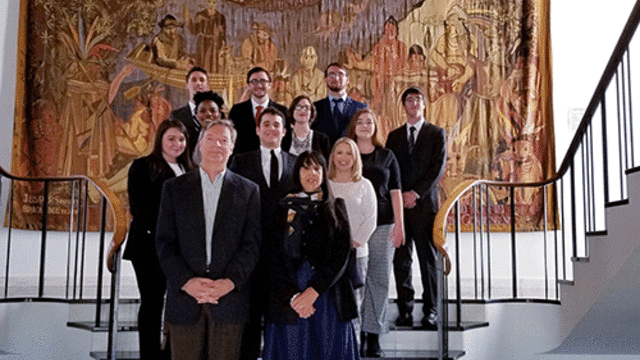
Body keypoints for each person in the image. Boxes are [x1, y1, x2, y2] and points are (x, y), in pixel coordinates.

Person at [155, 120, 262, 360]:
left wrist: (230, 281)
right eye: (211, 139)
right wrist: (187, 282)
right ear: (200, 145)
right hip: (184, 298)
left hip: (229, 300)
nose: (217, 145)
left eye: (224, 140)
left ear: (232, 148)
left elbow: (251, 246)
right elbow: (164, 244)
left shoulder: (248, 191)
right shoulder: (174, 189)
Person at [263, 151, 360, 360]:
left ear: (324, 173)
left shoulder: (336, 207)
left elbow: (341, 255)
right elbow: (273, 257)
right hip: (290, 297)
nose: (311, 173)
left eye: (317, 168)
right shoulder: (281, 208)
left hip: (327, 294)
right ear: (297, 172)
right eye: (305, 167)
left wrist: (314, 291)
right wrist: (294, 297)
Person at [228, 107, 297, 360]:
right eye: (265, 124)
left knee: (280, 320)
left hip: (284, 256)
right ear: (258, 130)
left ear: (284, 130)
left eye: (276, 124)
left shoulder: (296, 163)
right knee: (250, 319)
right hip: (250, 254)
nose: (271, 129)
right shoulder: (240, 162)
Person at [124, 119, 195, 360]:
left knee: (179, 304)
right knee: (152, 303)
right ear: (160, 140)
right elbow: (140, 210)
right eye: (172, 138)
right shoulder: (142, 167)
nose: (177, 144)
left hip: (182, 251)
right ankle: (150, 355)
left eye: (182, 139)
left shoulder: (191, 170)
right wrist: (170, 237)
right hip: (148, 248)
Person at [386, 86, 446, 328]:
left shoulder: (436, 133)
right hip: (400, 207)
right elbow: (391, 169)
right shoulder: (394, 136)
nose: (413, 103)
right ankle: (405, 310)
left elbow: (437, 169)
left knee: (427, 260)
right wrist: (402, 197)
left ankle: (431, 309)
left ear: (424, 104)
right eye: (409, 100)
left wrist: (417, 193)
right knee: (401, 261)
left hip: (425, 206)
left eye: (418, 100)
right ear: (403, 106)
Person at [345, 109, 404, 357]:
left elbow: (395, 192)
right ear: (354, 126)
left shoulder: (386, 155)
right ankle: (354, 332)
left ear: (376, 127)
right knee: (354, 282)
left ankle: (373, 335)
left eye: (369, 122)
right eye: (360, 122)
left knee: (378, 280)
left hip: (383, 226)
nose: (365, 126)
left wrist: (400, 225)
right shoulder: (346, 154)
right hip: (352, 228)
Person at [327, 137, 377, 342]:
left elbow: (371, 220)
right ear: (332, 156)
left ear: (356, 158)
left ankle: (352, 350)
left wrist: (351, 246)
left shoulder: (364, 185)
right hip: (328, 256)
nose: (344, 158)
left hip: (356, 256)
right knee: (329, 308)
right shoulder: (325, 184)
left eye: (349, 153)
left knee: (353, 307)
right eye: (339, 152)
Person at [228, 67, 287, 155]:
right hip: (243, 163)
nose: (259, 85)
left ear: (270, 84)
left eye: (263, 81)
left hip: (274, 161)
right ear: (248, 85)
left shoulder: (282, 111)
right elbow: (231, 140)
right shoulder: (237, 111)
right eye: (254, 81)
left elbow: (286, 140)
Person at [312, 63, 368, 147]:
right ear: (325, 79)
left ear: (348, 80)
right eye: (332, 74)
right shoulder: (314, 107)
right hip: (322, 158)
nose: (336, 78)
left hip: (351, 157)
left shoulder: (361, 108)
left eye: (340, 74)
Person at [170, 67, 211, 155]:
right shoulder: (176, 116)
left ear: (207, 86)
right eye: (194, 80)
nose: (198, 83)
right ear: (186, 85)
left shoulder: (216, 116)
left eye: (202, 80)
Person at [281, 95, 331, 159]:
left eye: (306, 107)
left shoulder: (323, 139)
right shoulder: (283, 137)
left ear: (311, 113)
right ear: (292, 111)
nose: (302, 110)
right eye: (298, 107)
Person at [192, 90, 225, 164]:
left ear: (219, 115)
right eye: (202, 111)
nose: (208, 114)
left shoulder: (228, 138)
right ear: (197, 116)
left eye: (212, 111)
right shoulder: (190, 138)